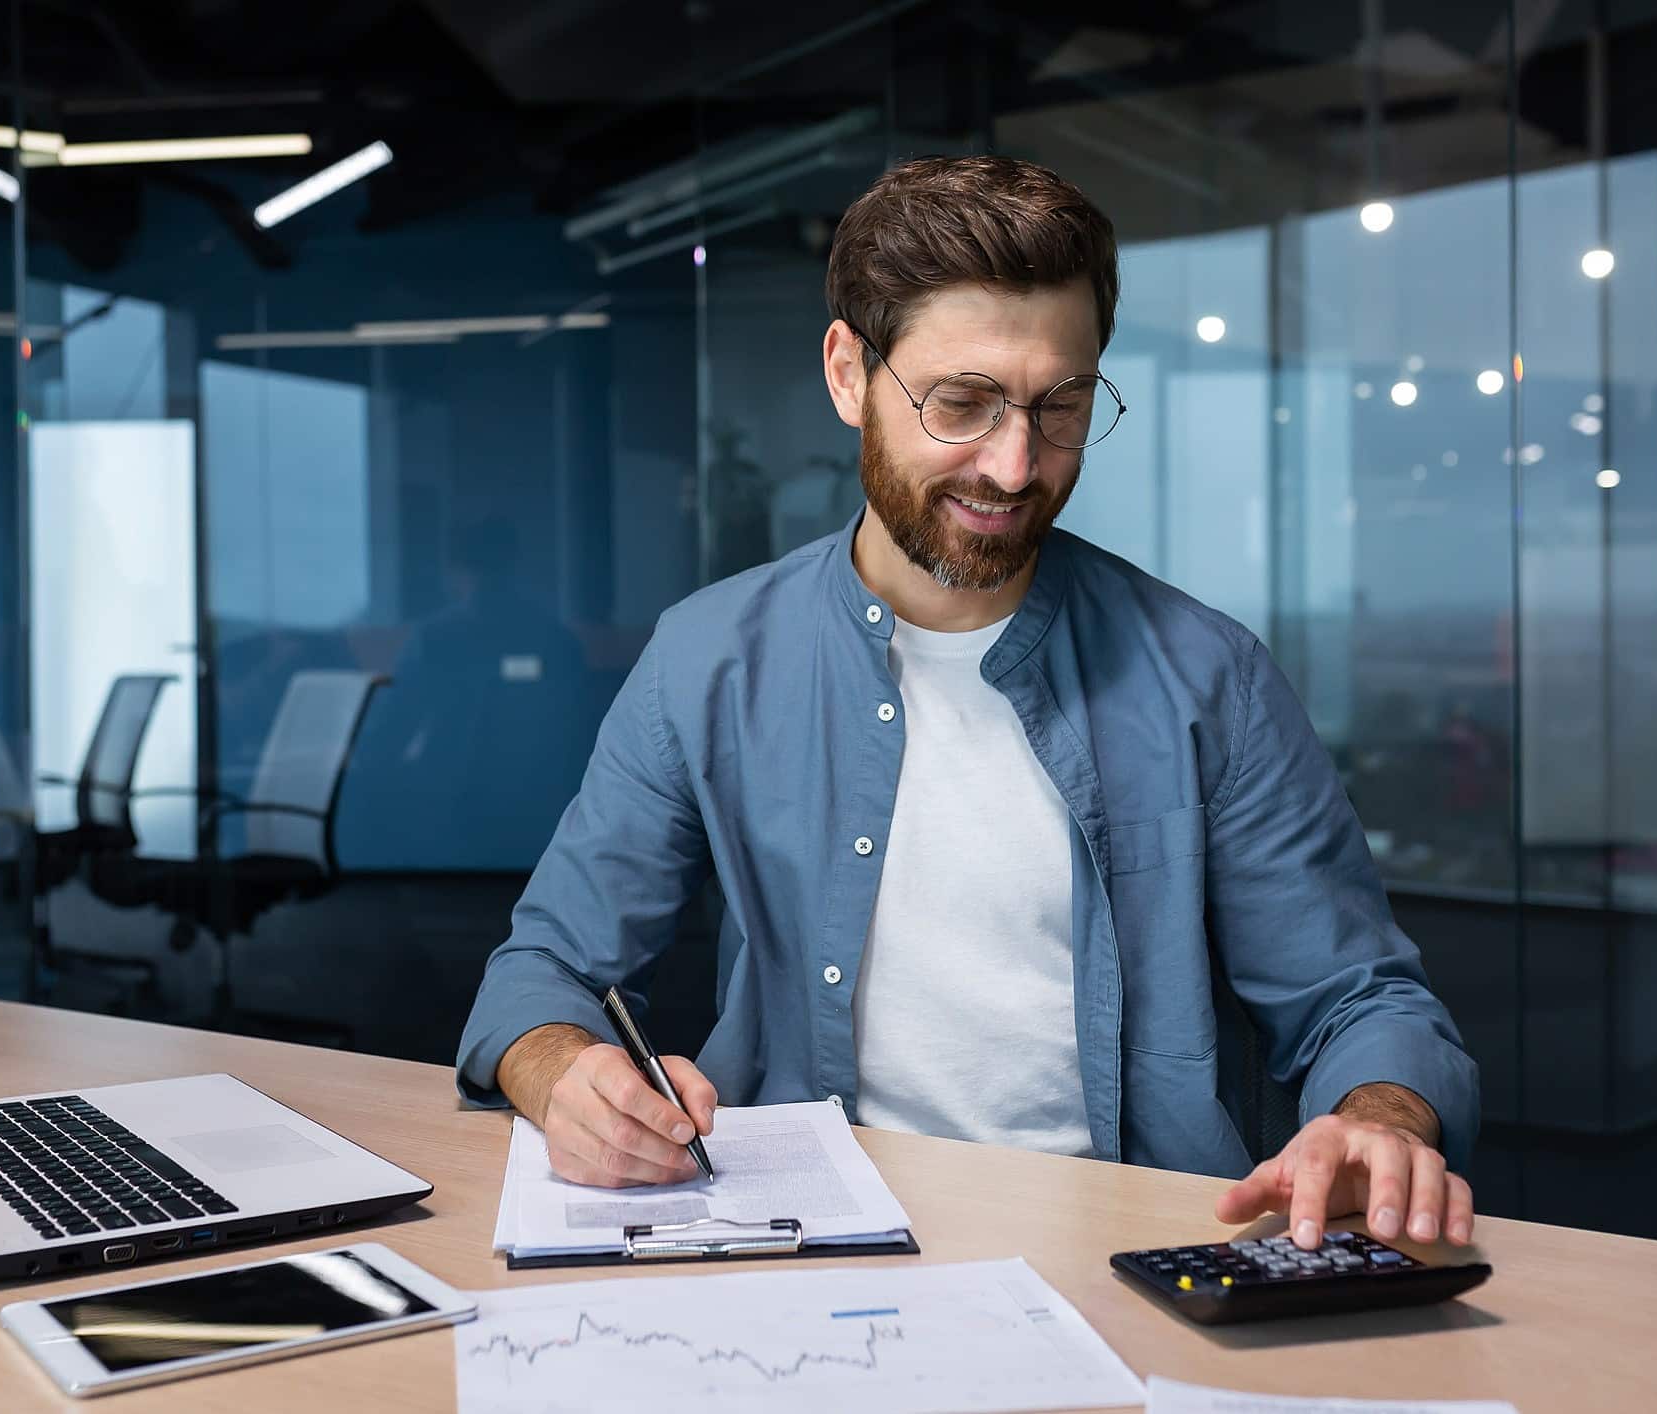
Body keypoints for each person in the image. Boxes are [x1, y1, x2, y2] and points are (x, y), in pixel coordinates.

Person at [457, 155, 1479, 1253]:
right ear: (849, 373)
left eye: (1063, 405)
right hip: (798, 1246)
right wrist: (562, 1069)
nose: (1013, 463)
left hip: (1128, 1255)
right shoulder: (709, 658)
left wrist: (1379, 1117)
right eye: (962, 404)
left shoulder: (1207, 675)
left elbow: (1362, 999)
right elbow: (544, 971)